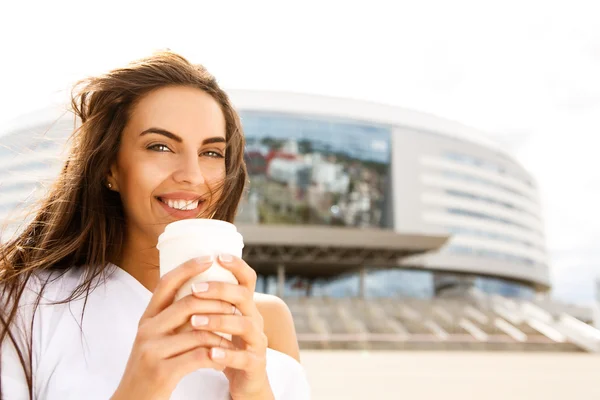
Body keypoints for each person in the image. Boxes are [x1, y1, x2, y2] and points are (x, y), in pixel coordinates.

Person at [0, 51, 310, 399]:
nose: (192, 176)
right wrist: (140, 388)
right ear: (110, 168)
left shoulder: (266, 320)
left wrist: (254, 392)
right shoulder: (22, 306)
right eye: (160, 146)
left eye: (211, 153)